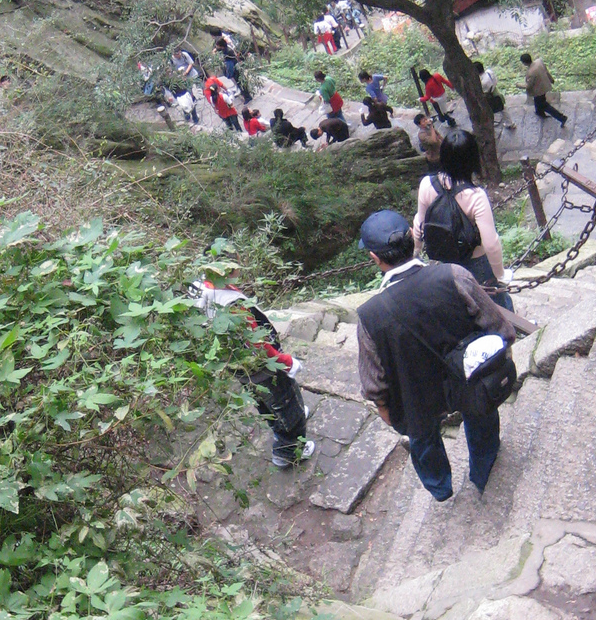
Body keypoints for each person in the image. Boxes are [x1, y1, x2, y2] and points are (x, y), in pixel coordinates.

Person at [355, 211, 529, 500]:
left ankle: (440, 488)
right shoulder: (454, 275)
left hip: (416, 396)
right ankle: (483, 471)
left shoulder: (369, 316)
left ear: (375, 257)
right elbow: (500, 328)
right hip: (470, 377)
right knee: (481, 417)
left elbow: (374, 385)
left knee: (423, 438)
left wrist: (390, 415)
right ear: (413, 237)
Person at [191, 282, 315, 469]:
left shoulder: (200, 285)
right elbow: (256, 345)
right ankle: (288, 451)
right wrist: (287, 362)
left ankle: (279, 426)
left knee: (263, 400)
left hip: (237, 365)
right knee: (287, 401)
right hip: (263, 367)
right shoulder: (232, 305)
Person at [414, 130, 513, 310]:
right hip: (475, 263)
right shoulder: (476, 196)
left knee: (459, 307)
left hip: (444, 264)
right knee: (498, 306)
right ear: (472, 159)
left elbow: (419, 224)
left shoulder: (426, 184)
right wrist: (499, 275)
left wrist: (417, 251)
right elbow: (491, 243)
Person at [519, 52, 568, 126]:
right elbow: (546, 71)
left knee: (544, 105)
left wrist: (518, 85)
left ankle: (561, 117)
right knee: (538, 102)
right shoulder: (539, 62)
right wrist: (551, 79)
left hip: (538, 91)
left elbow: (528, 86)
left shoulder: (530, 73)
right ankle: (539, 112)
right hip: (544, 86)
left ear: (524, 63)